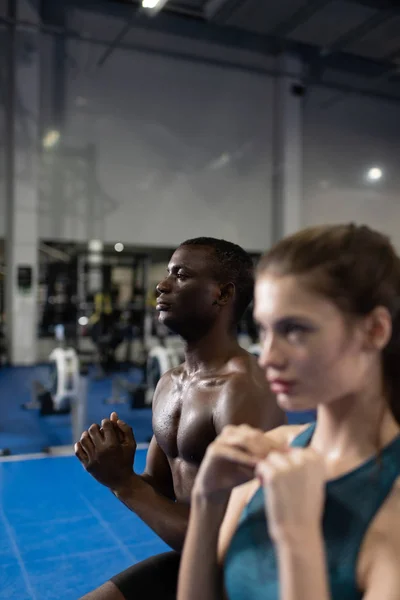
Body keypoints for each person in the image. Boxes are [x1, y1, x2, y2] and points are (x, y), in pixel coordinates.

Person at [178, 224, 400, 600]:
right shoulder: (267, 454)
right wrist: (206, 500)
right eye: (263, 331)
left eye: (294, 330)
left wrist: (297, 537)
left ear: (374, 330)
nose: (268, 357)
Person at [75, 237, 285, 600]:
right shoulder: (170, 383)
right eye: (167, 273)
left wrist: (125, 484)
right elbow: (159, 489)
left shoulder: (244, 390)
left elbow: (227, 535)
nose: (162, 284)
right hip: (193, 563)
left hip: (247, 580)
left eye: (181, 275)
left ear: (222, 294)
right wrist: (114, 468)